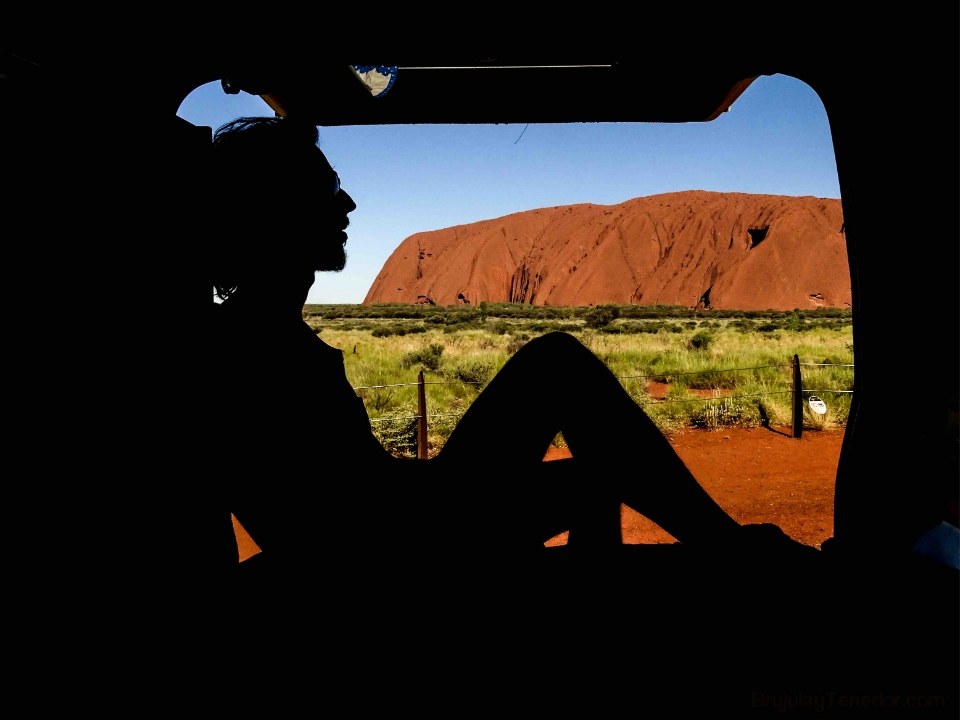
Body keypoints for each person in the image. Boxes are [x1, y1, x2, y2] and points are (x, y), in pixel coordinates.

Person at [207, 115, 813, 589]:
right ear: (271, 209)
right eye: (326, 188)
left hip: (399, 527)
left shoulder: (253, 333)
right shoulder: (255, 343)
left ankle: (723, 550)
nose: (347, 205)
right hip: (397, 557)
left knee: (586, 451)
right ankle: (729, 551)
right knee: (558, 365)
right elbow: (335, 526)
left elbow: (337, 497)